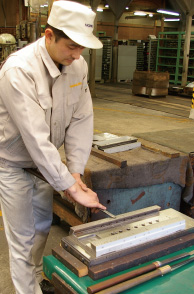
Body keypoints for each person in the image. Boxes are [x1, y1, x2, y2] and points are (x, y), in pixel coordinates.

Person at [0, 1, 106, 294]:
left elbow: (82, 119)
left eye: (82, 48)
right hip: (13, 164)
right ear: (49, 35)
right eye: (71, 46)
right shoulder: (19, 71)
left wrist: (74, 173)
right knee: (21, 237)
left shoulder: (78, 66)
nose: (77, 54)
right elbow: (35, 138)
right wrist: (70, 188)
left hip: (46, 167)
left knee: (42, 227)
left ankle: (35, 277)